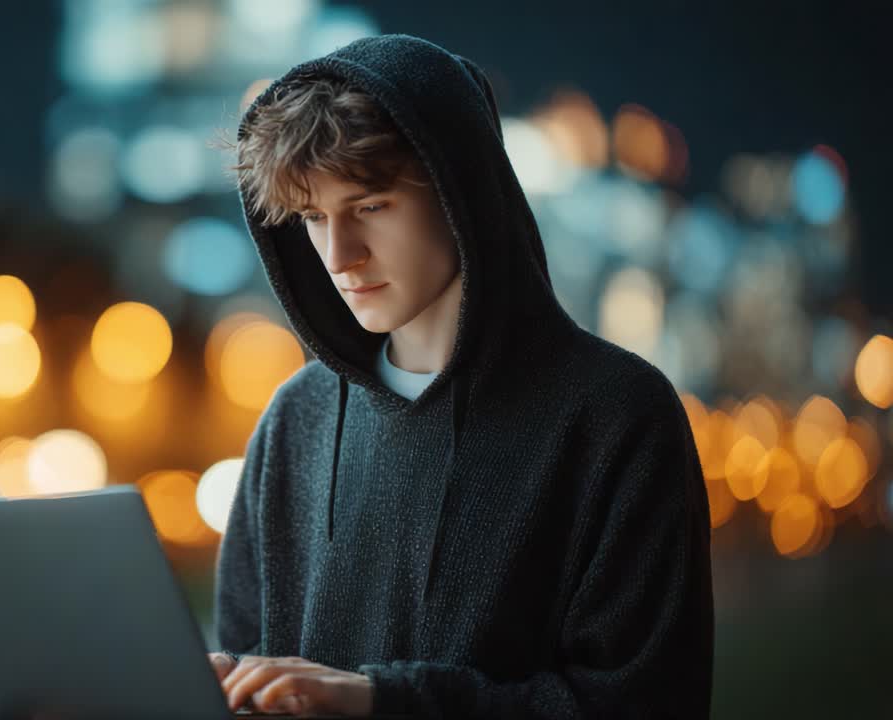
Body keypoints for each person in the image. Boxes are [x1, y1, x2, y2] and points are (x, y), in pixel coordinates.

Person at [206, 33, 714, 718]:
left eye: (370, 206)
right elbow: (246, 677)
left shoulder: (618, 417)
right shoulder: (294, 421)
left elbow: (642, 704)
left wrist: (383, 704)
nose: (339, 255)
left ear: (460, 191)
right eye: (312, 217)